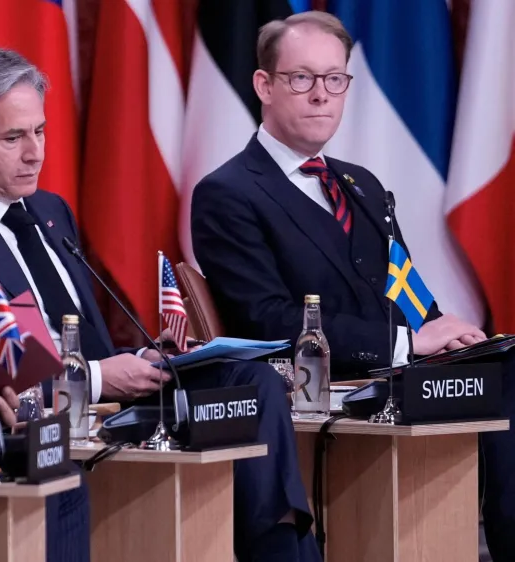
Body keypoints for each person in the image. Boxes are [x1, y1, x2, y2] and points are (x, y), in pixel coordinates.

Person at [0, 44, 320, 562]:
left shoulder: (50, 211)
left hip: (112, 403)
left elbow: (85, 332)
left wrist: (144, 356)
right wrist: (100, 376)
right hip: (42, 419)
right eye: (14, 138)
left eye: (40, 131)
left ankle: (276, 548)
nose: (36, 152)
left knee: (252, 384)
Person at [188, 10, 514, 560]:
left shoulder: (361, 184)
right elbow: (266, 320)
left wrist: (445, 330)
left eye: (335, 78)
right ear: (264, 85)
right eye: (302, 78)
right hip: (320, 390)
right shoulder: (228, 192)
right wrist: (408, 343)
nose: (322, 95)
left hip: (394, 376)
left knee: (506, 364)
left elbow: (403, 287)